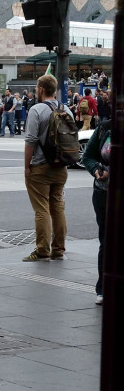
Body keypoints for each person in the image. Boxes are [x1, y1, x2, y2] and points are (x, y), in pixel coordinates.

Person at [22, 73, 72, 262]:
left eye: (37, 87)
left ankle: (42, 249)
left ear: (41, 89)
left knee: (41, 209)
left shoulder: (36, 110)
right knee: (57, 207)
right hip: (61, 166)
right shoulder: (66, 108)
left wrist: (27, 167)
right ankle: (59, 249)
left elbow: (30, 141)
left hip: (41, 166)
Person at [82, 117, 111, 305]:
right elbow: (87, 156)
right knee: (106, 241)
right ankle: (102, 288)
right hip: (103, 192)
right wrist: (96, 171)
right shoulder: (104, 128)